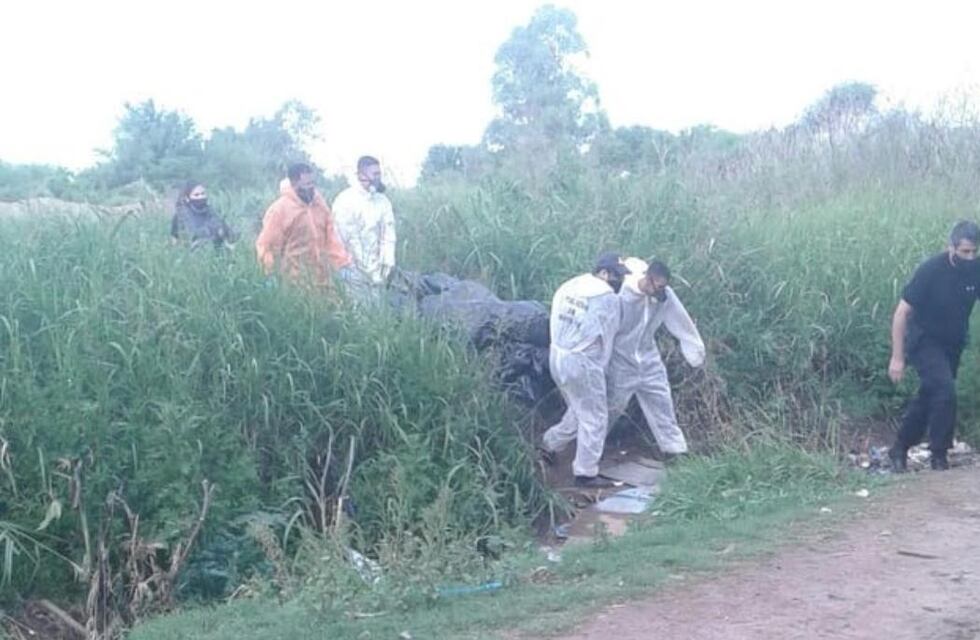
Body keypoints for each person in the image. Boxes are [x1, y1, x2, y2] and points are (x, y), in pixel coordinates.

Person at [888, 220, 980, 472]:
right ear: (951, 247)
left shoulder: (976, 270)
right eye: (964, 252)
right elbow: (900, 314)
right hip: (924, 340)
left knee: (930, 396)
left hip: (953, 343)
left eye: (974, 252)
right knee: (945, 390)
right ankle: (939, 455)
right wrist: (897, 358)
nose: (969, 257)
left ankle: (900, 447)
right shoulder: (930, 270)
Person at [541, 253, 629, 487]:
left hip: (557, 355)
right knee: (596, 417)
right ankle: (585, 473)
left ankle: (549, 444)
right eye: (616, 276)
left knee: (578, 409)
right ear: (604, 273)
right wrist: (602, 369)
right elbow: (606, 336)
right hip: (583, 362)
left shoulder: (571, 284)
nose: (618, 282)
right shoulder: (607, 297)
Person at [606, 257, 705, 458]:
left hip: (648, 359)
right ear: (648, 278)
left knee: (662, 403)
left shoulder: (663, 296)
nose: (659, 291)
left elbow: (681, 320)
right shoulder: (622, 294)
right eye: (656, 286)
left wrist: (695, 350)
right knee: (609, 408)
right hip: (621, 361)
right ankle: (585, 449)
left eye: (663, 287)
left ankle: (675, 450)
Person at [255, 163, 353, 289]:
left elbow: (331, 238)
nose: (311, 188)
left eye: (312, 183)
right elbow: (266, 245)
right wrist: (269, 272)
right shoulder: (280, 210)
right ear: (294, 184)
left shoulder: (320, 206)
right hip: (293, 282)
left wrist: (341, 263)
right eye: (306, 184)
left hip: (322, 281)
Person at [331, 156, 396, 296]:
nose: (378, 178)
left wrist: (387, 265)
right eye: (375, 174)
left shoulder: (383, 201)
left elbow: (388, 235)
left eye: (379, 174)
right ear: (361, 175)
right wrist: (369, 272)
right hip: (352, 271)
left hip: (378, 272)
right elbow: (349, 240)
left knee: (378, 313)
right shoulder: (345, 201)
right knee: (358, 313)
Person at [170, 181, 235, 249]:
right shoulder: (181, 216)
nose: (200, 197)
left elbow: (226, 232)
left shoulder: (212, 212)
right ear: (187, 198)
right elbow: (175, 240)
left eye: (203, 193)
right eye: (196, 195)